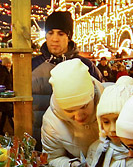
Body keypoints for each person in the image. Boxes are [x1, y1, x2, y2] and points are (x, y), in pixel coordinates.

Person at [32, 11, 102, 147]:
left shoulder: (86, 66)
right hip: (39, 137)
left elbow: (100, 99)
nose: (55, 39)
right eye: (50, 33)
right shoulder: (31, 65)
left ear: (69, 37)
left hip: (78, 140)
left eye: (61, 33)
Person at [41, 58, 104, 167]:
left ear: (93, 95)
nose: (79, 116)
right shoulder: (51, 123)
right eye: (69, 111)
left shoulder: (113, 104)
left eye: (84, 106)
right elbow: (53, 159)